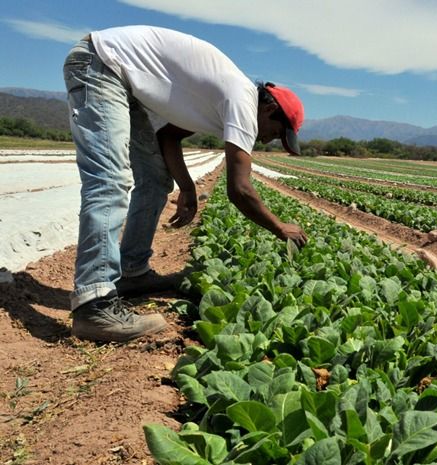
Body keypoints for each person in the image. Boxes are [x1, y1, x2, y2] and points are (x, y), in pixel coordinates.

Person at [63, 25, 307, 343]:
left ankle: (133, 272)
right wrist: (280, 228)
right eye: (275, 133)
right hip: (100, 64)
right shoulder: (243, 100)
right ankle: (93, 305)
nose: (269, 139)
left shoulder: (223, 96)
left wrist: (187, 187)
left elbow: (168, 136)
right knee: (110, 178)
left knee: (153, 178)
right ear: (270, 108)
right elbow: (240, 190)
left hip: (114, 72)